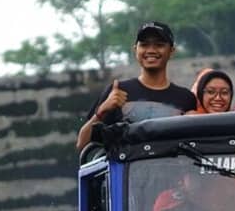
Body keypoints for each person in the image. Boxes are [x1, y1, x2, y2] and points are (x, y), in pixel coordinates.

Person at [75, 21, 196, 151]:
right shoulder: (116, 92)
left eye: (159, 45)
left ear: (171, 51)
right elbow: (82, 145)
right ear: (135, 50)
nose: (151, 50)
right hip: (127, 170)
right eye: (144, 45)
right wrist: (102, 110)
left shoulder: (185, 98)